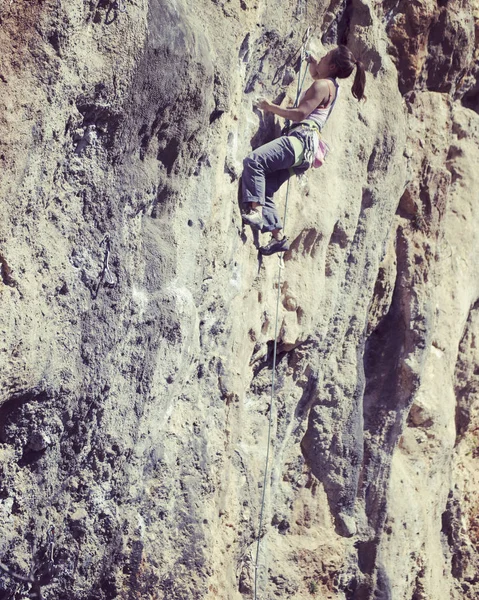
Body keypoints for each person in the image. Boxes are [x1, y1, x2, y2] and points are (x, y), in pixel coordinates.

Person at [241, 45, 366, 255]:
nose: (321, 59)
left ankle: (255, 211)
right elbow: (317, 71)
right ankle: (277, 237)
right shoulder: (334, 87)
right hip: (307, 152)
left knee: (254, 162)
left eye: (325, 57)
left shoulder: (322, 86)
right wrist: (312, 61)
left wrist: (270, 107)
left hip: (300, 140)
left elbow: (300, 114)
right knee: (267, 188)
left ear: (333, 65)